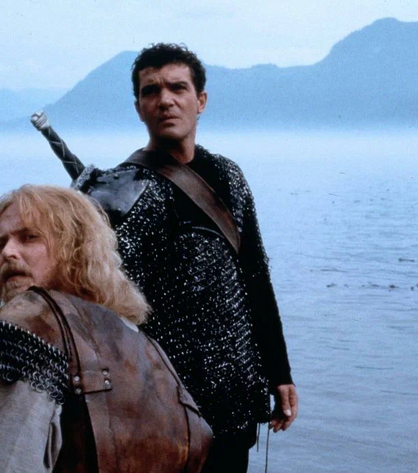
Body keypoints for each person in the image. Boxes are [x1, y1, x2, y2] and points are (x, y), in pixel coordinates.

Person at [77, 43, 298, 472]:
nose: (165, 100)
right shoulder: (122, 193)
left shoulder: (229, 177)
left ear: (201, 101)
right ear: (139, 108)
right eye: (151, 90)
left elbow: (256, 279)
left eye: (178, 88)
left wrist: (280, 372)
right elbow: (100, 306)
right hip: (159, 402)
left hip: (234, 396)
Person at [0, 185, 212, 472]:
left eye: (29, 237)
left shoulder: (34, 324)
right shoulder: (146, 346)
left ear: (75, 247)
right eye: (0, 244)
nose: (7, 252)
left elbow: (2, 465)